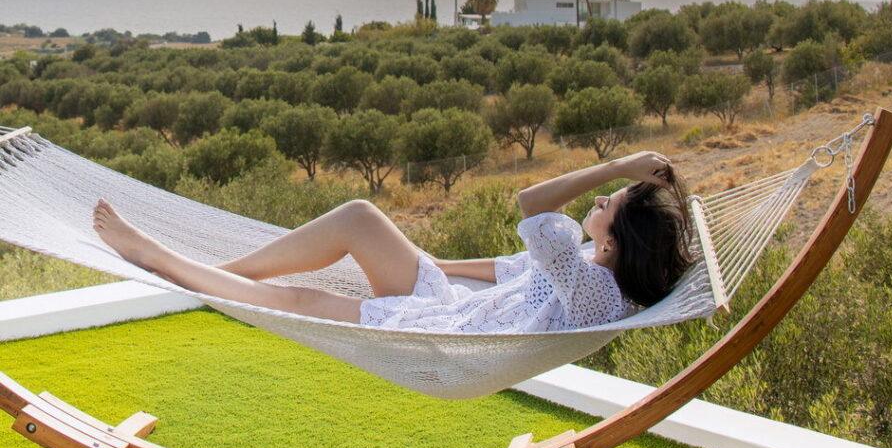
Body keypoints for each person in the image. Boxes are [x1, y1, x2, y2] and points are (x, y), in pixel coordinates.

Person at [91, 150, 694, 333]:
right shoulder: (588, 261)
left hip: (447, 334)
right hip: (449, 297)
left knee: (303, 302)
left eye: (607, 205)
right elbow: (503, 271)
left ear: (618, 240)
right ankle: (217, 269)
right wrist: (427, 260)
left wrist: (619, 168)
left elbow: (531, 204)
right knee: (359, 216)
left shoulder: (591, 291)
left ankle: (156, 257)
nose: (597, 202)